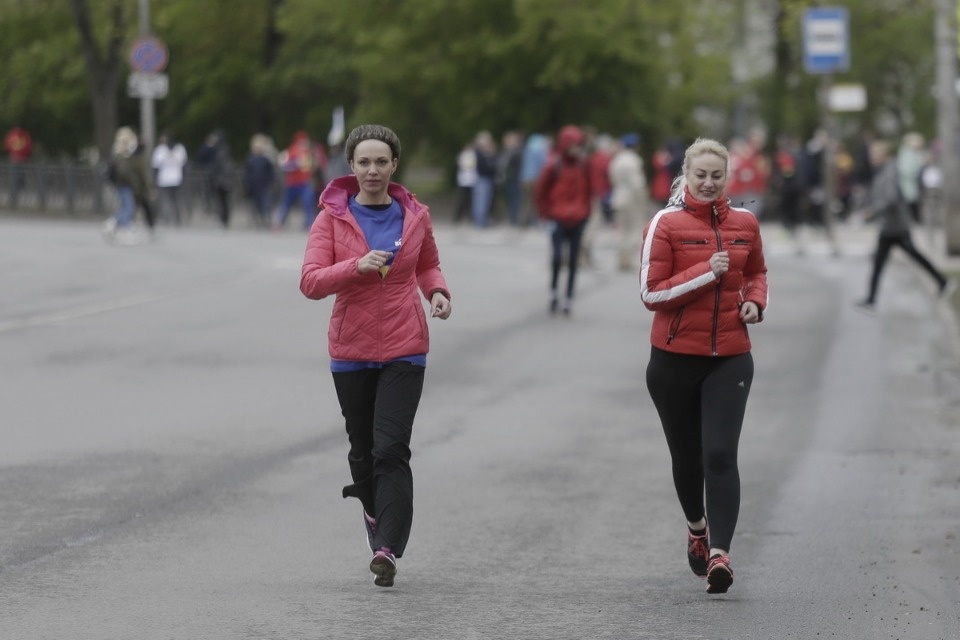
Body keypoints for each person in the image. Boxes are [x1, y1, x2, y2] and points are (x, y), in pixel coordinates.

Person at [300, 124, 452, 588]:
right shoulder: (331, 218)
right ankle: (371, 508)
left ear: (394, 166)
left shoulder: (415, 216)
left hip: (406, 346)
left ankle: (386, 547)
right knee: (362, 452)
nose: (372, 170)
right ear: (351, 167)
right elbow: (310, 281)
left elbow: (427, 263)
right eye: (363, 162)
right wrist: (356, 266)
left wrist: (438, 292)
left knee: (392, 448)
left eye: (380, 162)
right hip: (352, 349)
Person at [639, 137, 768, 595]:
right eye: (701, 175)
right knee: (687, 458)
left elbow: (756, 272)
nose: (709, 183)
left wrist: (754, 302)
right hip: (673, 361)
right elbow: (651, 293)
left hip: (730, 357)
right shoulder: (665, 223)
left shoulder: (746, 224)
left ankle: (721, 554)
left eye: (717, 176)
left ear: (726, 176)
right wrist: (704, 273)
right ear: (687, 176)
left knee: (719, 454)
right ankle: (697, 528)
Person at [856, 140, 954, 309]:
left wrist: (873, 212)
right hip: (891, 226)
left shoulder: (889, 172)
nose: (872, 158)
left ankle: (943, 282)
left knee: (905, 258)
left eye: (874, 154)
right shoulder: (884, 171)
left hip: (895, 226)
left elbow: (891, 198)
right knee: (883, 262)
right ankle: (871, 299)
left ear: (882, 155)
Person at [533, 124, 592, 315]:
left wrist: (586, 213)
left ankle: (568, 298)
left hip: (577, 218)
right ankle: (553, 293)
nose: (577, 148)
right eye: (573, 144)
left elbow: (589, 190)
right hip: (557, 218)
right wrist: (545, 215)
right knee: (557, 258)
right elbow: (540, 192)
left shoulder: (583, 165)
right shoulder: (554, 165)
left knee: (574, 260)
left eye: (579, 144)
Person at [102, 127, 153, 245]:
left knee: (128, 207)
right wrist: (134, 184)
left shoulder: (122, 153)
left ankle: (116, 225)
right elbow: (125, 173)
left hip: (123, 185)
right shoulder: (123, 155)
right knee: (128, 208)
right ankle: (116, 225)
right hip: (124, 185)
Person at [607, 133, 649, 271]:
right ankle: (626, 256)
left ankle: (622, 255)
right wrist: (643, 199)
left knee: (621, 229)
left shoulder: (616, 159)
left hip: (618, 196)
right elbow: (637, 183)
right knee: (634, 228)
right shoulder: (634, 160)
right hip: (632, 199)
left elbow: (612, 178)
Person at [274, 131, 322, 231]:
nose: (305, 143)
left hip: (304, 182)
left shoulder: (308, 152)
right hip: (292, 183)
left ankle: (309, 224)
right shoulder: (291, 151)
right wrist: (295, 164)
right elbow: (284, 166)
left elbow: (309, 168)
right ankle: (278, 223)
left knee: (307, 203)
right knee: (286, 204)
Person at [197, 130, 233, 229]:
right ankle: (223, 219)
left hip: (221, 180)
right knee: (221, 201)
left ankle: (224, 220)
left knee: (223, 201)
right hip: (221, 179)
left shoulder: (221, 151)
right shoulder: (218, 150)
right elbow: (202, 157)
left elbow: (221, 167)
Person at [151, 130, 188, 225]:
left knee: (165, 200)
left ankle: (167, 219)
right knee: (176, 200)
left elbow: (156, 166)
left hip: (164, 179)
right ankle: (176, 218)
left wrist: (154, 179)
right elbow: (184, 165)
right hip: (176, 178)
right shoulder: (180, 149)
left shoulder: (160, 150)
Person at [243, 133, 276, 228]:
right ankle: (258, 219)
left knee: (265, 202)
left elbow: (270, 173)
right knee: (255, 204)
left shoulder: (266, 159)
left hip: (264, 185)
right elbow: (247, 172)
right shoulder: (250, 158)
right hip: (253, 185)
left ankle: (265, 219)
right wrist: (246, 184)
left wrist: (270, 182)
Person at [4, 124, 33, 207]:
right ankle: (19, 187)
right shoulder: (25, 136)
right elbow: (29, 147)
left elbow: (7, 145)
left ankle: (14, 190)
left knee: (14, 175)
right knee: (21, 175)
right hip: (23, 159)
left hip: (13, 158)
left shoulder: (12, 135)